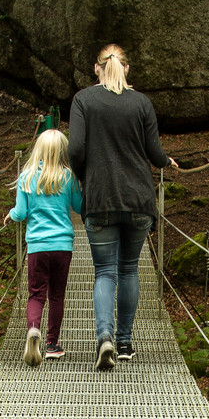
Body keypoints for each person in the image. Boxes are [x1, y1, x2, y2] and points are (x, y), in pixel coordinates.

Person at [67, 43, 175, 370]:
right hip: (139, 199)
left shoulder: (83, 100)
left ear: (97, 69)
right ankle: (126, 343)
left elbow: (75, 148)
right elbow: (154, 151)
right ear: (126, 69)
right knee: (129, 269)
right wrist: (167, 161)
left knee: (104, 272)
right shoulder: (141, 103)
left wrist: (85, 174)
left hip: (100, 198)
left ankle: (105, 337)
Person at [9, 127, 82, 366]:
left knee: (36, 294)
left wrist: (10, 214)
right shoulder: (68, 176)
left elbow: (20, 213)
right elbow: (80, 208)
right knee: (57, 295)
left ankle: (33, 329)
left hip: (37, 246)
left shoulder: (26, 177)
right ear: (63, 151)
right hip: (62, 246)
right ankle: (52, 344)